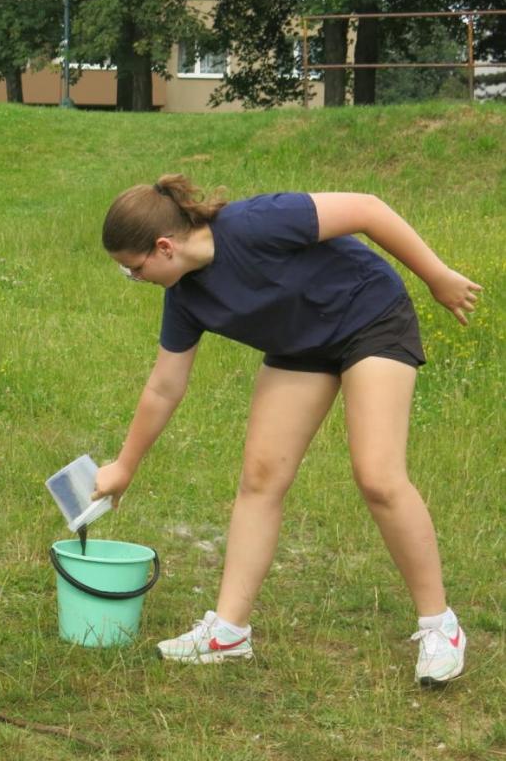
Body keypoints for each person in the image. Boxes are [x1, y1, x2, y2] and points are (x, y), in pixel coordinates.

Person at [93, 175, 481, 685]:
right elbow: (165, 387)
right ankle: (229, 633)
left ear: (164, 247)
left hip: (369, 318)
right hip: (302, 346)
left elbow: (367, 208)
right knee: (260, 477)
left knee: (378, 475)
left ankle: (440, 627)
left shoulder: (256, 223)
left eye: (133, 268)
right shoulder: (185, 298)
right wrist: (124, 466)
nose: (134, 278)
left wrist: (436, 276)